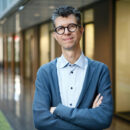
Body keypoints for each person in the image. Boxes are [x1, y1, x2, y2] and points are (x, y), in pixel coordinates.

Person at [32, 6, 113, 130]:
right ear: (55, 35)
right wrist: (89, 119)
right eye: (60, 28)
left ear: (81, 30)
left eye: (72, 26)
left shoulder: (100, 71)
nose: (66, 32)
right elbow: (40, 121)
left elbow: (104, 118)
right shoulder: (45, 72)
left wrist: (58, 110)